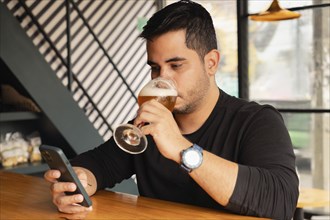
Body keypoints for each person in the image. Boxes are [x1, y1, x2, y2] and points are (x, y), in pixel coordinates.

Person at [44, 0, 299, 219]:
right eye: (155, 67)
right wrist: (80, 182)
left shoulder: (257, 121)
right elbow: (101, 163)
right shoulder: (149, 124)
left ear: (211, 63)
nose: (161, 79)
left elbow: (280, 200)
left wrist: (181, 148)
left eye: (176, 66)